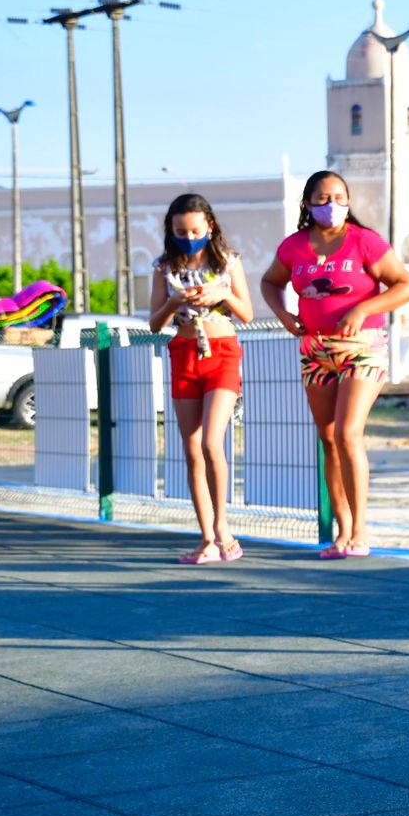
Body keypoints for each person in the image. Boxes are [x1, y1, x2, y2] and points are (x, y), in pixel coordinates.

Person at [260, 170, 409, 559]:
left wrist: (363, 308)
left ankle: (361, 531)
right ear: (308, 204)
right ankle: (343, 532)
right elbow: (269, 282)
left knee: (348, 433)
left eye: (340, 198)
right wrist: (284, 315)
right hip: (315, 349)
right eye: (323, 198)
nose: (332, 206)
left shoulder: (365, 241)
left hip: (362, 347)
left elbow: (405, 285)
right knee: (329, 439)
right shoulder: (294, 246)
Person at [148, 193, 254, 564]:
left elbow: (247, 313)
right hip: (184, 353)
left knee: (212, 442)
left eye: (195, 229)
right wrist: (174, 302)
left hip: (221, 352)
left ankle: (223, 525)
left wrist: (222, 292)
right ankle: (207, 538)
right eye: (180, 230)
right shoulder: (164, 267)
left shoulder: (227, 261)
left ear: (210, 226)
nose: (188, 236)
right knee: (192, 449)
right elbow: (154, 322)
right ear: (171, 231)